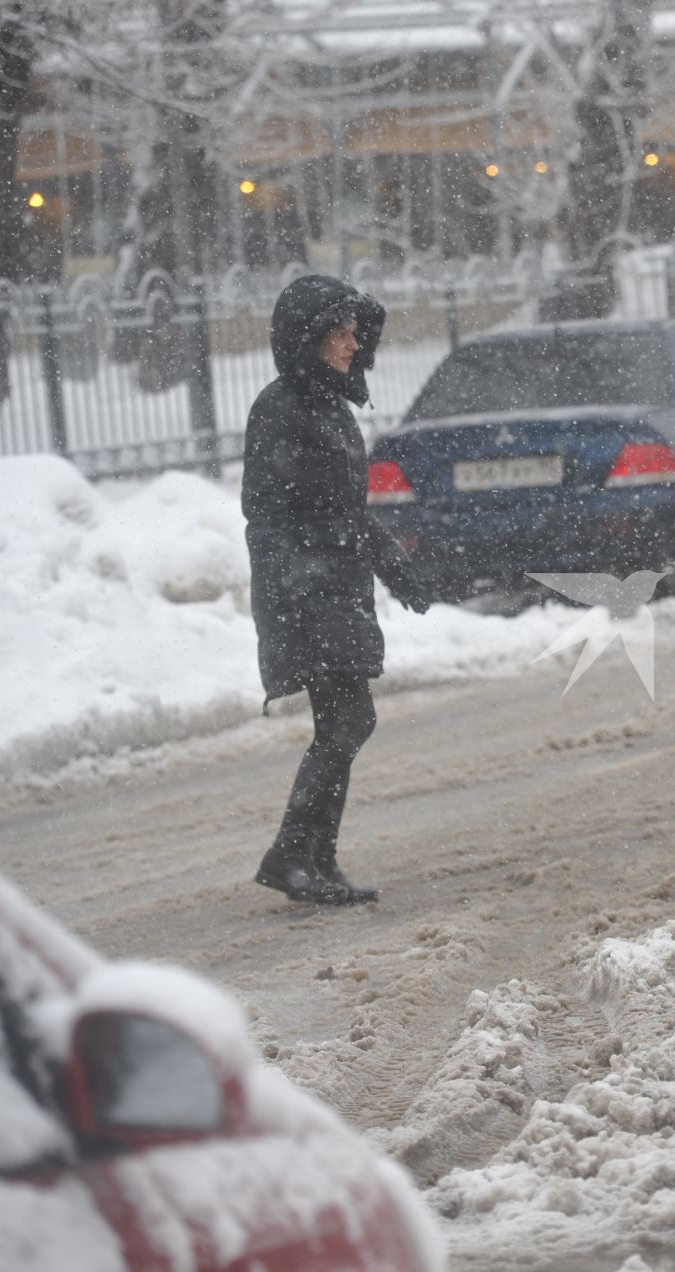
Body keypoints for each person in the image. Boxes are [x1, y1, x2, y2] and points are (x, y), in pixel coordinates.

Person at [243, 275, 431, 906]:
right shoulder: (281, 409)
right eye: (339, 334)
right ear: (309, 340)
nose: (353, 345)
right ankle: (295, 854)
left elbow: (346, 510)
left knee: (347, 721)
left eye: (356, 334)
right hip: (307, 590)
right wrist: (296, 586)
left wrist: (393, 566)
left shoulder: (329, 407)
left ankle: (312, 861)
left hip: (336, 584)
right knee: (350, 719)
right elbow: (268, 516)